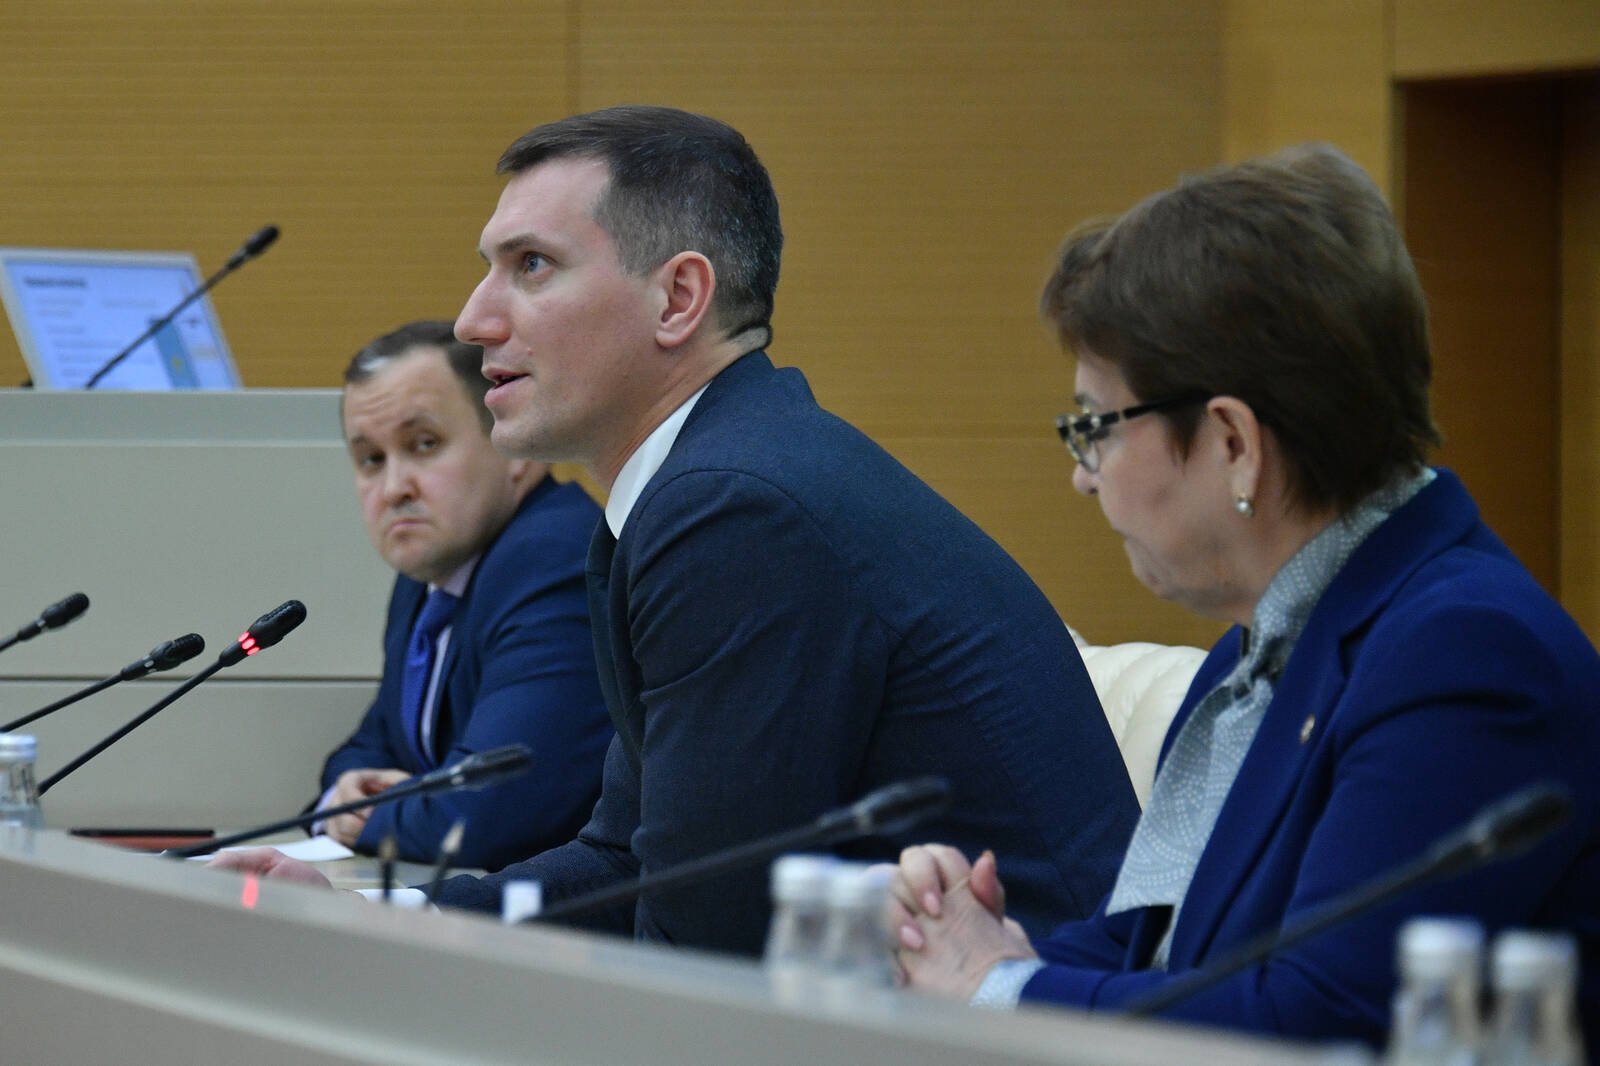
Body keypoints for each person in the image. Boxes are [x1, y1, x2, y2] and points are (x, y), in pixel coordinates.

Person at [215, 106, 1139, 957]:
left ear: (678, 298)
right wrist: (380, 919)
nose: (473, 318)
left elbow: (701, 938)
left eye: (530, 266)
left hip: (1023, 1022)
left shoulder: (738, 510)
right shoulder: (717, 478)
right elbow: (628, 862)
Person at [888, 143, 1600, 1047]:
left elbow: (1315, 1023)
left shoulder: (1467, 657)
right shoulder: (1261, 646)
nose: (1083, 475)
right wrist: (970, 947)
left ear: (1233, 443)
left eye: (1096, 426)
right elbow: (1144, 949)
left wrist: (1000, 989)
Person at [317, 320, 613, 869]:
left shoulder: (555, 561)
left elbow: (487, 814)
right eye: (371, 459)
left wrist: (361, 813)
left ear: (516, 448)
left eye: (424, 444)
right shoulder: (431, 575)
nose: (394, 488)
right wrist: (345, 791)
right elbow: (372, 746)